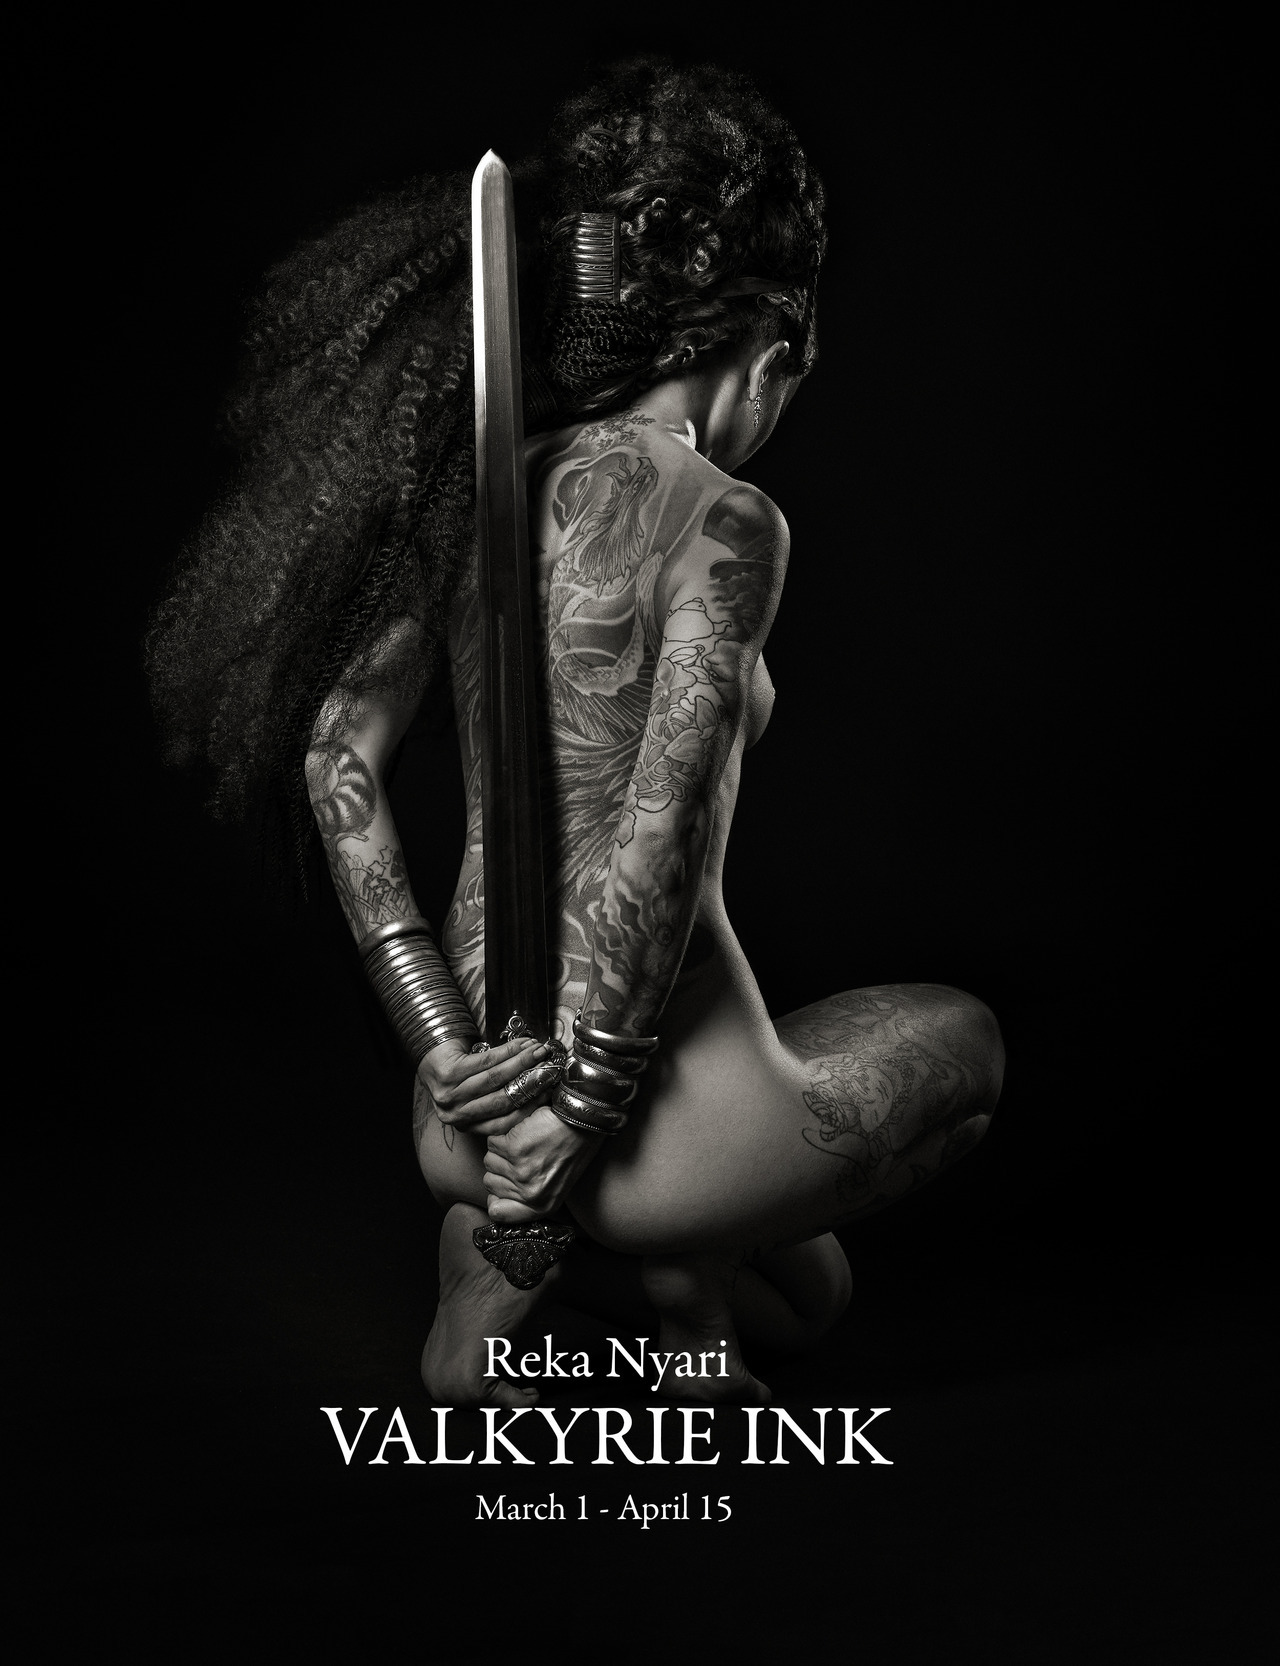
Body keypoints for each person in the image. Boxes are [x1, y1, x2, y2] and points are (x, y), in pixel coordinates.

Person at [148, 59, 1004, 1409]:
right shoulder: (725, 520)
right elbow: (664, 827)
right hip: (633, 1120)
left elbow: (335, 756)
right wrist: (580, 1110)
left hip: (465, 1111)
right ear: (765, 352)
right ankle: (623, 1238)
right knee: (965, 1044)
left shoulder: (483, 495)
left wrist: (443, 1046)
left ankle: (556, 1261)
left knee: (809, 1295)